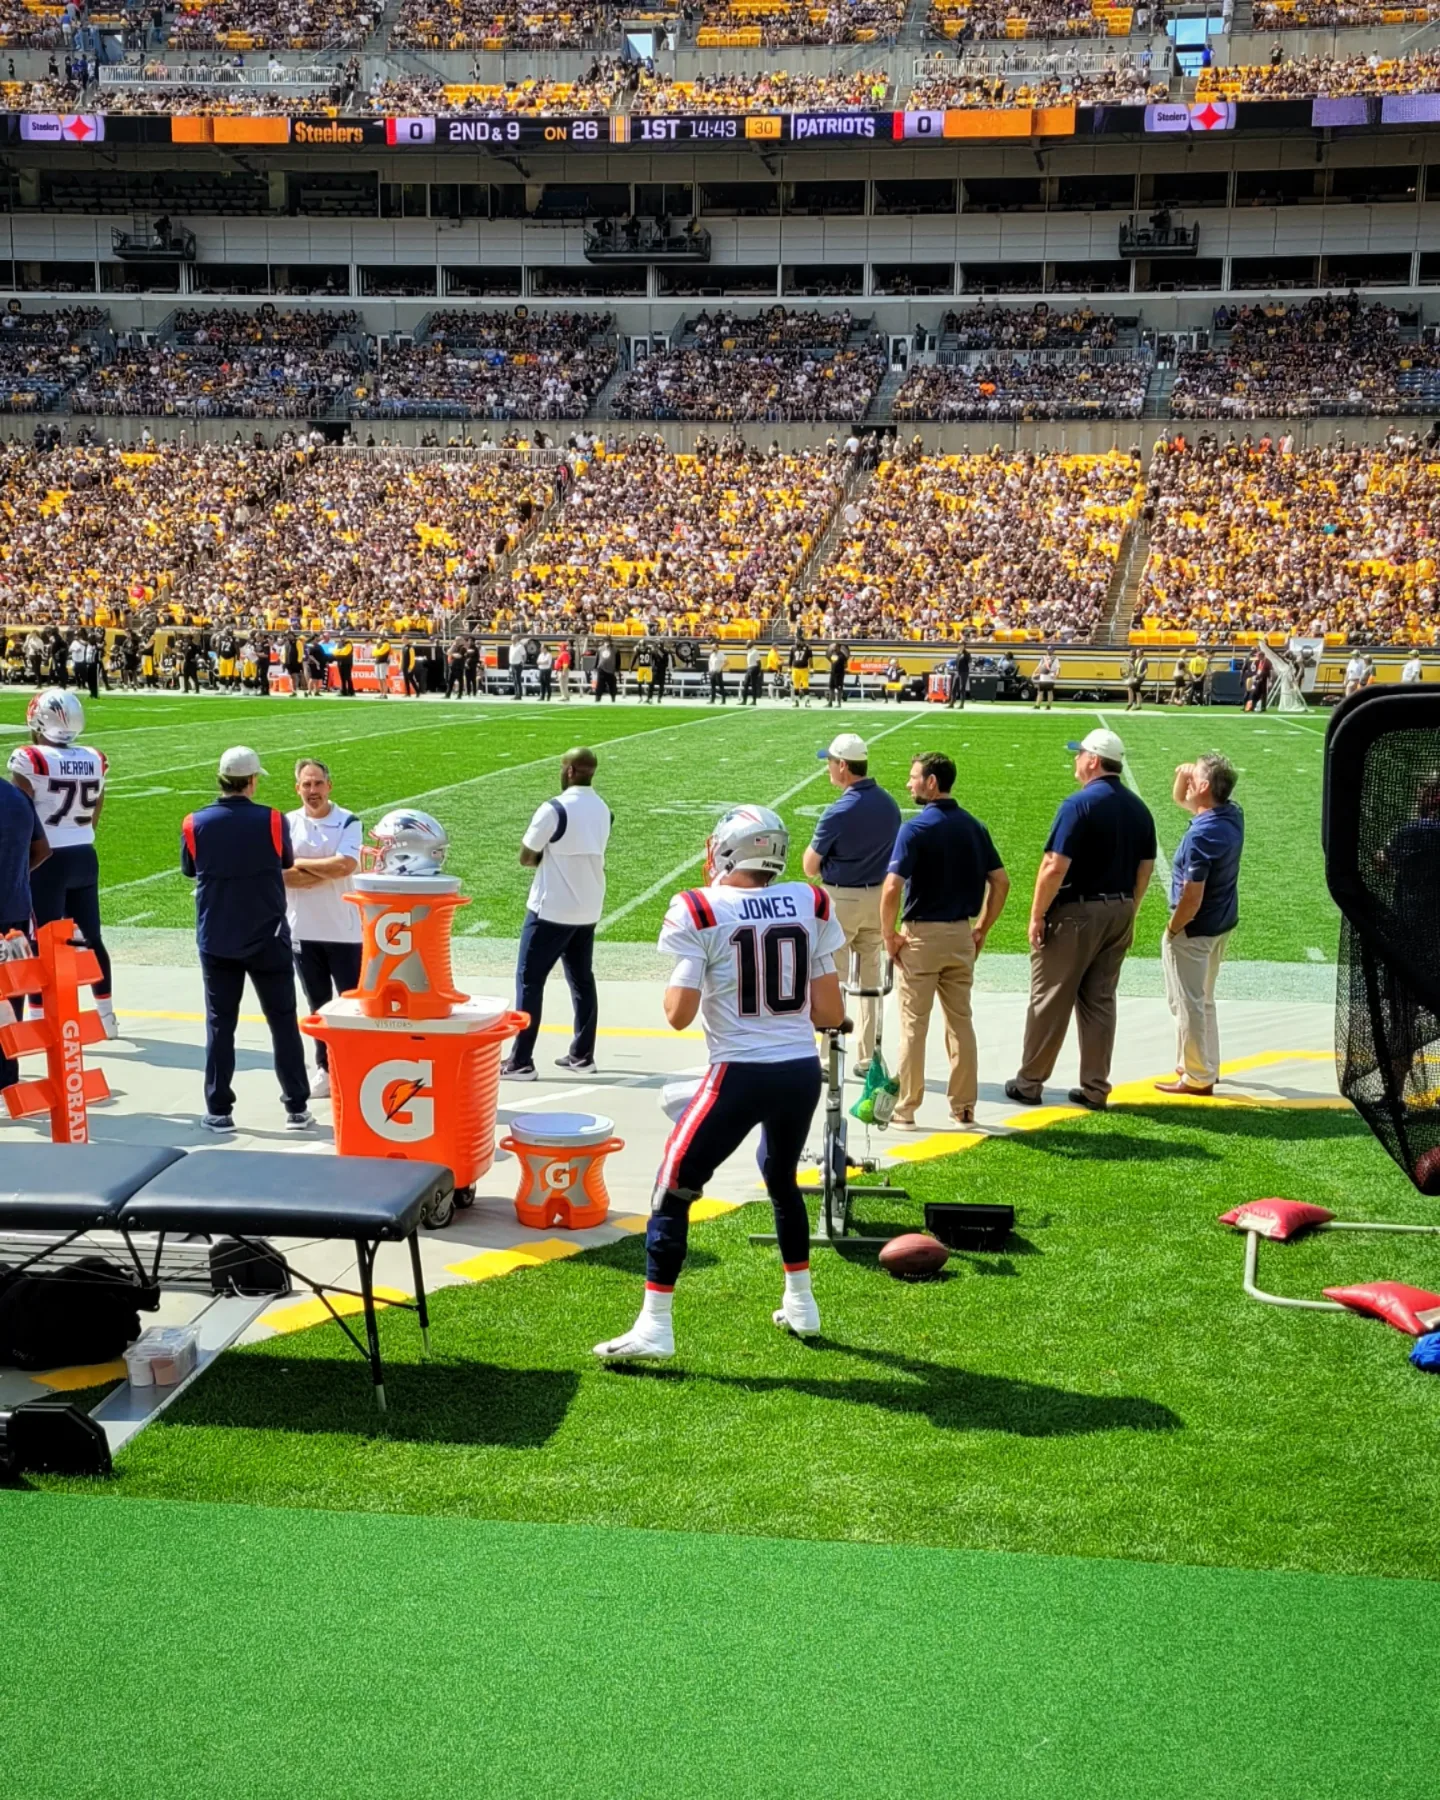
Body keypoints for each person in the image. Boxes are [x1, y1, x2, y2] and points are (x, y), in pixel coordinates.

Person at [593, 805, 847, 1362]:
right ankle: (802, 1304)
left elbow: (678, 1014)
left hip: (739, 1071)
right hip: (800, 1070)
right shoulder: (812, 900)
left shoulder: (699, 907)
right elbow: (828, 1010)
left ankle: (655, 1326)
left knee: (672, 1187)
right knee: (780, 1176)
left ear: (727, 851)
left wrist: (703, 976)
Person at [1005, 728, 1156, 1112]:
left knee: (1051, 997)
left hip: (1077, 912)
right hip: (1120, 907)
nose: (1076, 760)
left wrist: (1037, 914)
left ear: (1093, 760)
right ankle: (1095, 1087)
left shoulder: (1079, 805)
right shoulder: (1139, 808)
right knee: (1100, 1000)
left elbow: (1054, 866)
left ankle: (1030, 1082)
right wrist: (1130, 911)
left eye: (1080, 754)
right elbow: (1145, 868)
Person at [180, 746, 313, 1133]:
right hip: (267, 933)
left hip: (217, 935)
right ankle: (296, 1105)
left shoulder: (194, 822)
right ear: (252, 780)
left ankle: (219, 1108)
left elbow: (190, 869)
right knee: (283, 1020)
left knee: (221, 1025)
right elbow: (285, 862)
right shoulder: (272, 819)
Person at [880, 752, 1009, 1129]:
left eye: (914, 776)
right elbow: (1001, 881)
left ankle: (906, 1108)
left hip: (921, 936)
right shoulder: (974, 826)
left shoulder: (916, 829)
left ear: (932, 782)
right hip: (960, 934)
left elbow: (891, 888)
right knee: (960, 1022)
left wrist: (889, 935)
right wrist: (982, 927)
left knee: (912, 1026)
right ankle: (965, 1107)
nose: (909, 784)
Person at [8, 688, 117, 1039]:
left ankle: (41, 1021)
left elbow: (20, 814)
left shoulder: (31, 758)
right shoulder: (94, 757)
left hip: (47, 859)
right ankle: (106, 1017)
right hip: (85, 853)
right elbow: (96, 807)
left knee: (41, 940)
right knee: (91, 938)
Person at [502, 747, 611, 1081]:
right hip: (588, 905)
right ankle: (583, 1054)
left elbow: (526, 856)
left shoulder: (554, 808)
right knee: (582, 980)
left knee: (530, 982)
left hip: (551, 908)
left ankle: (521, 1060)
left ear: (569, 771)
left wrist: (547, 859)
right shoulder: (603, 808)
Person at [802, 731, 901, 1075]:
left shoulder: (839, 811)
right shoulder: (888, 804)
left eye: (830, 763)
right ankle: (869, 1055)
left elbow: (809, 866)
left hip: (842, 897)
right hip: (877, 897)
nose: (828, 769)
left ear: (843, 766)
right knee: (871, 983)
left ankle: (830, 1057)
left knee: (833, 978)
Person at [1156, 754, 1243, 1098]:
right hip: (1221, 923)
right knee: (1204, 999)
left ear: (1206, 786)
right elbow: (1182, 798)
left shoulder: (1202, 836)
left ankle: (1196, 1076)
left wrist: (1173, 929)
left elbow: (1192, 896)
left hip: (1195, 928)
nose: (1189, 779)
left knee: (1186, 1002)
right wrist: (1185, 774)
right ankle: (1206, 1065)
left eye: (1196, 776)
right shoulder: (1230, 815)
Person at [283, 758, 363, 1102]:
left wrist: (301, 866)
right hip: (303, 929)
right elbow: (279, 873)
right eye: (306, 785)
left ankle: (355, 1066)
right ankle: (325, 1069)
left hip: (345, 930)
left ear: (329, 786)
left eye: (318, 784)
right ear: (297, 788)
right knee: (318, 1004)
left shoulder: (348, 821)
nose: (312, 791)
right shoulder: (287, 823)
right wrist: (321, 871)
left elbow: (345, 865)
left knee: (351, 1004)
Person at [0, 750, 49, 1100]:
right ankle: (7, 1077)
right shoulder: (16, 797)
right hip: (14, 911)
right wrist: (17, 876)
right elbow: (43, 849)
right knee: (10, 998)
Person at [789, 633, 813, 707]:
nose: (796, 642)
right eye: (796, 640)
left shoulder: (807, 647)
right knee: (796, 686)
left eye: (798, 640)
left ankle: (807, 701)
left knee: (805, 686)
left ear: (802, 641)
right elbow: (791, 658)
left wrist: (812, 668)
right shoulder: (793, 648)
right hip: (795, 669)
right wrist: (789, 668)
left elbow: (810, 659)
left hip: (804, 669)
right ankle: (796, 701)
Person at [594, 636, 619, 703]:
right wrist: (595, 667)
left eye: (609, 640)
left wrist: (617, 669)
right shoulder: (600, 649)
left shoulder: (615, 649)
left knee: (612, 685)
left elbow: (618, 660)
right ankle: (597, 698)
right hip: (601, 669)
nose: (608, 642)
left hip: (611, 670)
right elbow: (597, 658)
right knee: (599, 685)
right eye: (606, 640)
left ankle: (613, 698)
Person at [947, 643, 971, 710]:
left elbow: (969, 663)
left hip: (964, 673)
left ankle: (961, 704)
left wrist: (968, 671)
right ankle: (952, 703)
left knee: (962, 688)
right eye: (959, 645)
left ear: (964, 646)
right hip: (957, 672)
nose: (960, 646)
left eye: (961, 645)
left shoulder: (967, 654)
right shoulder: (958, 653)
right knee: (953, 688)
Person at [826, 639, 849, 708]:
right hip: (833, 673)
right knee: (831, 687)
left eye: (836, 647)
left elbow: (846, 665)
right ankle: (830, 703)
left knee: (839, 688)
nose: (834, 648)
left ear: (839, 647)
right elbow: (832, 661)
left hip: (839, 674)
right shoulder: (833, 654)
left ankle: (839, 703)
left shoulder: (842, 656)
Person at [741, 641, 763, 706]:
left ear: (751, 644)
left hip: (754, 668)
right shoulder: (749, 651)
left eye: (747, 643)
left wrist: (758, 671)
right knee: (745, 684)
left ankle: (754, 701)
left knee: (753, 685)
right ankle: (744, 701)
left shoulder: (755, 652)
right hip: (749, 668)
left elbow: (759, 662)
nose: (746, 645)